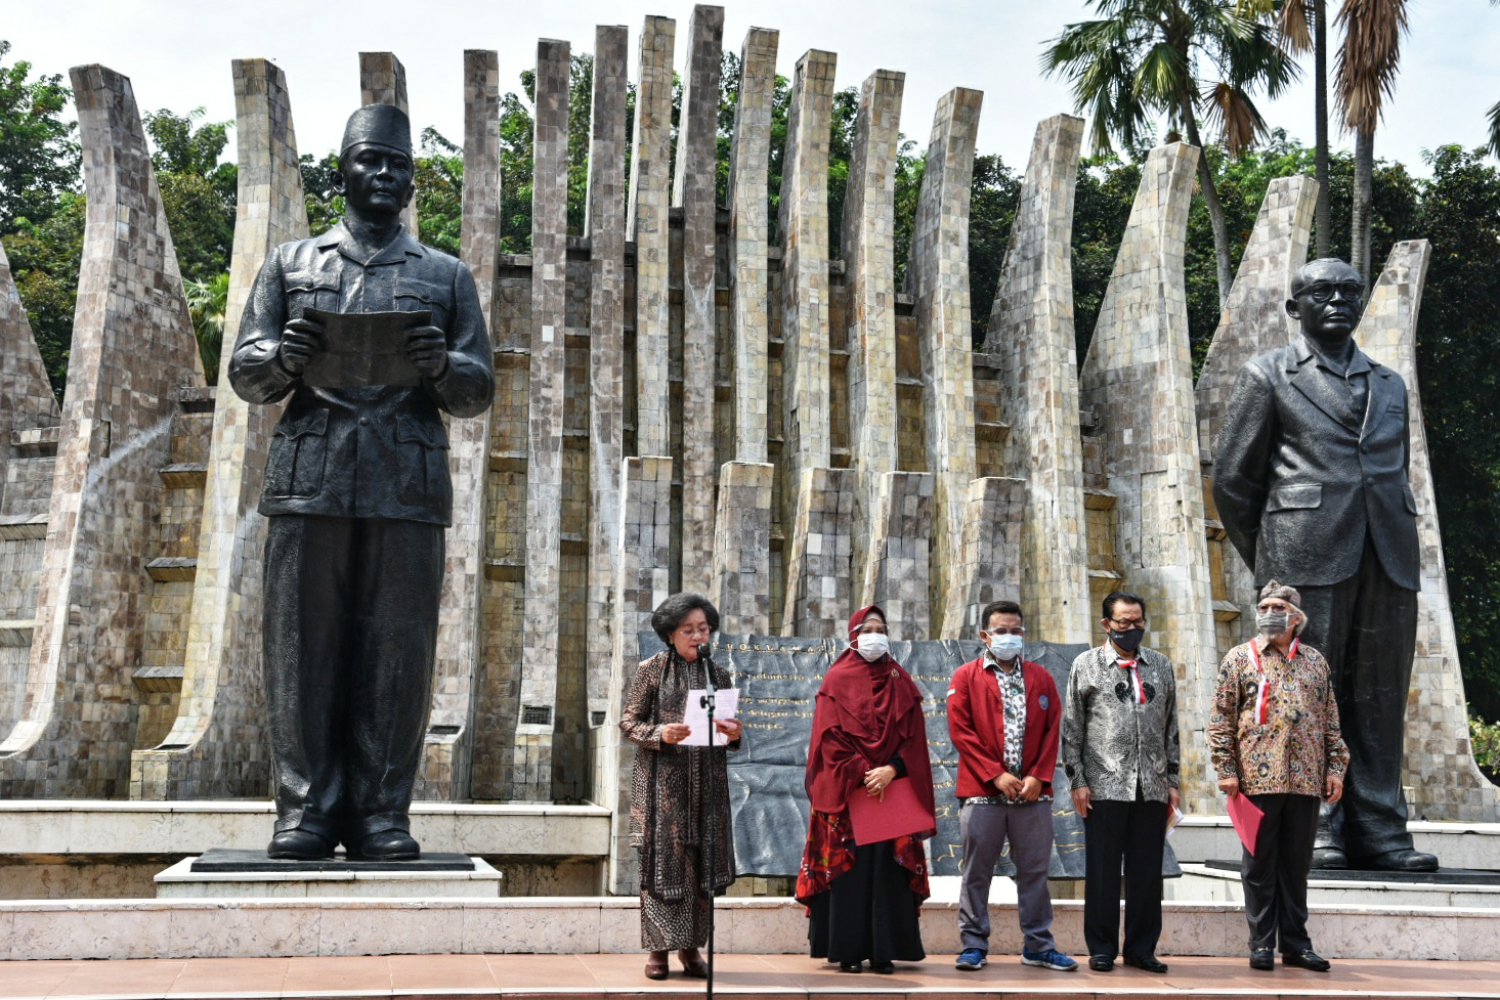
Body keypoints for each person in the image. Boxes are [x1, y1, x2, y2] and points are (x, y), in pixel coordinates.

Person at [229, 104, 493, 861]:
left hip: (405, 484)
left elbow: (477, 391)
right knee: (300, 648)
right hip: (310, 479)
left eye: (398, 165)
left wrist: (442, 362)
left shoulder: (445, 276)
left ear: (412, 181)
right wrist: (287, 354)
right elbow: (247, 373)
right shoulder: (290, 265)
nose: (385, 175)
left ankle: (381, 812)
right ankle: (306, 810)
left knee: (397, 652)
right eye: (371, 160)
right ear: (342, 168)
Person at [1213, 257, 1436, 872]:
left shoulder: (1389, 384)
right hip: (1301, 552)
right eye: (1321, 292)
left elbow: (1390, 470)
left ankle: (1381, 830)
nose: (1337, 300)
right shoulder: (1269, 374)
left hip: (1387, 555)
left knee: (1379, 695)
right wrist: (1272, 561)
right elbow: (1233, 481)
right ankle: (1316, 828)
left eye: (1349, 291)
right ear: (1295, 307)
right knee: (1303, 692)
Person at [1209, 580, 1349, 974]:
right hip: (1255, 779)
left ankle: (1295, 944)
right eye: (1264, 605)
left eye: (1277, 606)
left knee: (1296, 864)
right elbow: (1220, 720)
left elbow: (1330, 721)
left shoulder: (1315, 662)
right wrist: (1226, 770)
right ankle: (1260, 945)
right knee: (1258, 865)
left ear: (1295, 617)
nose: (1268, 611)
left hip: (1305, 780)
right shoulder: (1239, 658)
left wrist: (1336, 767)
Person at [796, 605, 934, 974]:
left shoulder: (900, 681)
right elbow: (829, 740)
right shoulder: (836, 680)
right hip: (848, 794)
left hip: (891, 792)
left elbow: (914, 739)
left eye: (881, 628)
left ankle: (885, 950)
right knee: (850, 873)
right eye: (868, 628)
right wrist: (864, 771)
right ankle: (848, 951)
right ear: (854, 634)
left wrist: (891, 769)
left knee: (889, 871)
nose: (876, 634)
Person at [947, 600, 1076, 973]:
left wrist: (1038, 775)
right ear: (985, 635)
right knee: (977, 872)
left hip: (1032, 795)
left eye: (1015, 630)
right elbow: (961, 732)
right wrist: (995, 775)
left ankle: (1038, 945)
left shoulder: (1041, 678)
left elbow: (1053, 731)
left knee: (1034, 872)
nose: (1009, 636)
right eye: (1001, 630)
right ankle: (973, 945)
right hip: (982, 793)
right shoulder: (965, 677)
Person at [620, 593, 742, 980]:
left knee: (700, 870)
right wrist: (660, 732)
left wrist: (734, 733)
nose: (697, 636)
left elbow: (729, 733)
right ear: (670, 633)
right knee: (661, 869)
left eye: (703, 629)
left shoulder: (718, 676)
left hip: (706, 790)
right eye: (688, 630)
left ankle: (691, 951)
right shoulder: (652, 669)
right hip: (662, 790)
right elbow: (627, 723)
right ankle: (657, 952)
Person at [1061, 591, 1179, 974]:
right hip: (1104, 785)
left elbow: (1171, 727)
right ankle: (1102, 948)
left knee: (1147, 873)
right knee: (1103, 872)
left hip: (1153, 787)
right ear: (1106, 624)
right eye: (1123, 623)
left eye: (1138, 622)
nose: (1132, 629)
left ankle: (1142, 949)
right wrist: (1077, 780)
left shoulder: (1160, 665)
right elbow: (1072, 728)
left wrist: (1173, 779)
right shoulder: (1087, 665)